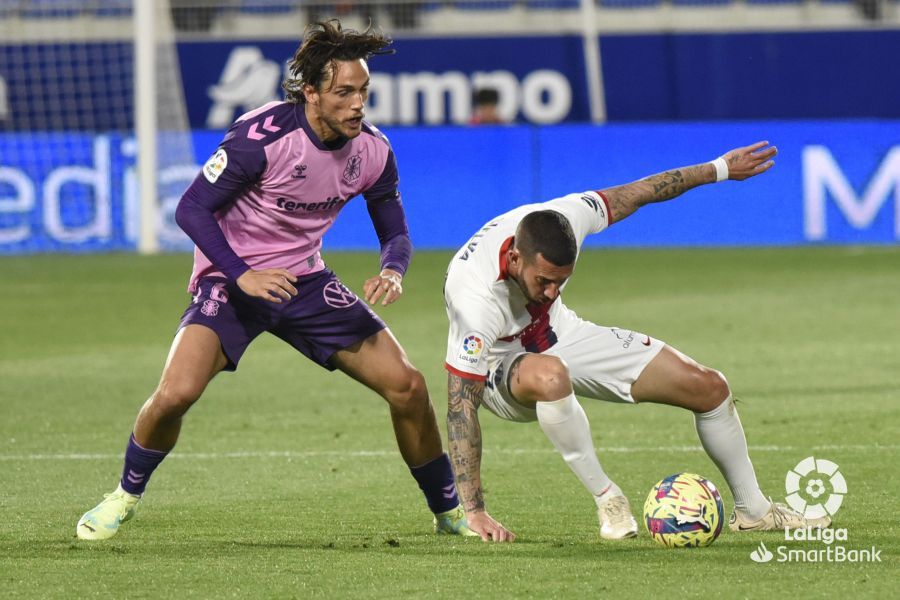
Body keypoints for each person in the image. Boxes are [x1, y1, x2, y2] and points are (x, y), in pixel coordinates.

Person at [76, 20, 474, 541]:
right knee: (176, 394)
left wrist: (393, 270)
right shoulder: (262, 139)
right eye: (343, 93)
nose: (357, 105)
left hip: (305, 281)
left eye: (363, 92)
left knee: (409, 387)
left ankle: (449, 512)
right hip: (230, 278)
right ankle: (123, 497)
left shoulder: (373, 150)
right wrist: (242, 275)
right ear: (311, 92)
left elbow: (393, 227)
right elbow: (191, 209)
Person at [443, 141, 833, 542]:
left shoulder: (567, 217)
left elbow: (638, 192)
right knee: (551, 375)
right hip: (497, 365)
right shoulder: (474, 299)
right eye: (544, 281)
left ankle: (754, 510)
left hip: (560, 335)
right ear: (514, 261)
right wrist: (474, 511)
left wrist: (718, 168)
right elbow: (459, 407)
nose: (552, 291)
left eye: (562, 280)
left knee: (709, 387)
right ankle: (608, 499)